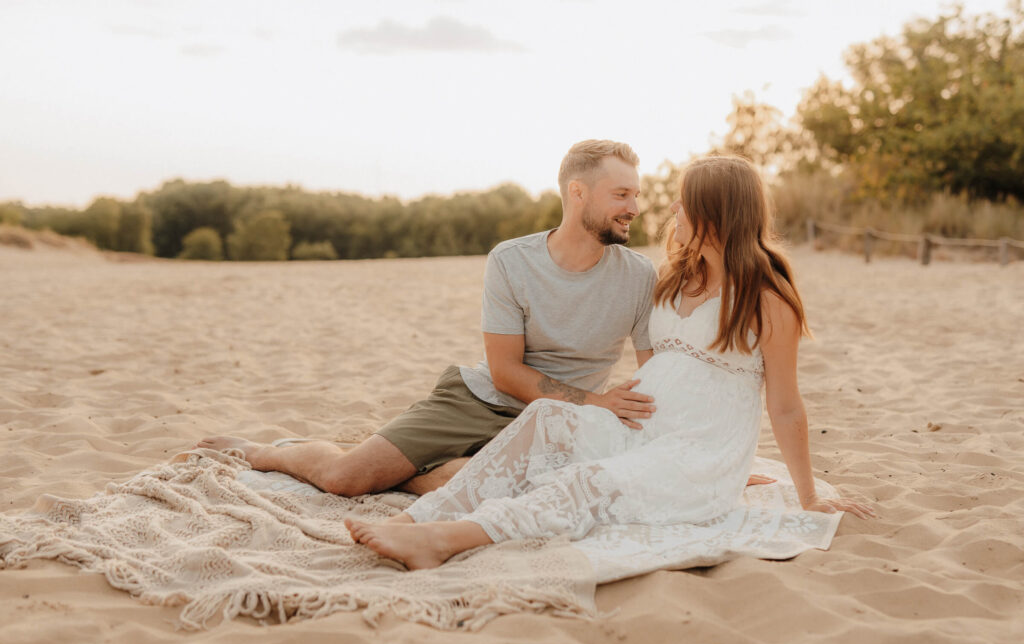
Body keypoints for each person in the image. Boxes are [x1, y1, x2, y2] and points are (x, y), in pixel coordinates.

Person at [344, 154, 877, 570]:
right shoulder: (675, 276)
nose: (672, 211)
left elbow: (784, 406)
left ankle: (440, 541)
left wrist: (804, 496)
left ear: (717, 214)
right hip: (645, 423)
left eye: (684, 203)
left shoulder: (766, 296)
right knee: (545, 420)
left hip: (699, 449)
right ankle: (419, 517)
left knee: (591, 482)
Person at [195, 140, 664, 496]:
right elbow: (506, 371)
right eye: (621, 194)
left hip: (561, 421)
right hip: (482, 402)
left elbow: (659, 378)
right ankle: (265, 452)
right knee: (346, 478)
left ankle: (412, 472)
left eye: (636, 195)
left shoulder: (639, 276)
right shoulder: (511, 261)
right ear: (578, 193)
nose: (635, 209)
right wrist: (597, 403)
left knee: (479, 489)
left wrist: (702, 454)